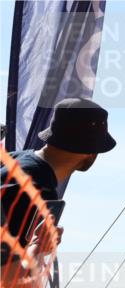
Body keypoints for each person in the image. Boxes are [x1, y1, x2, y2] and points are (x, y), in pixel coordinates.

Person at [1, 98, 116, 270]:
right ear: (91, 154)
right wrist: (40, 248)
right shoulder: (37, 190)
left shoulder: (13, 159)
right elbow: (9, 281)